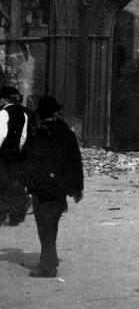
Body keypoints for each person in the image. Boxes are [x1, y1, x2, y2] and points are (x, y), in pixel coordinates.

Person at [21, 96, 83, 279]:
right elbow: (75, 162)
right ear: (56, 113)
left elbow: (27, 161)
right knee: (52, 224)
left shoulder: (37, 134)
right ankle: (51, 259)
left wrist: (25, 183)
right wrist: (77, 188)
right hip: (60, 187)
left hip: (42, 187)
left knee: (44, 226)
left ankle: (47, 266)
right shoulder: (67, 134)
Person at [0, 85, 30, 226]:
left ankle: (1, 215)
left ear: (5, 100)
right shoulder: (23, 114)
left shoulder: (3, 113)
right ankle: (15, 216)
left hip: (3, 154)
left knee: (2, 184)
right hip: (16, 154)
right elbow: (23, 137)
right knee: (14, 184)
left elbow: (1, 135)